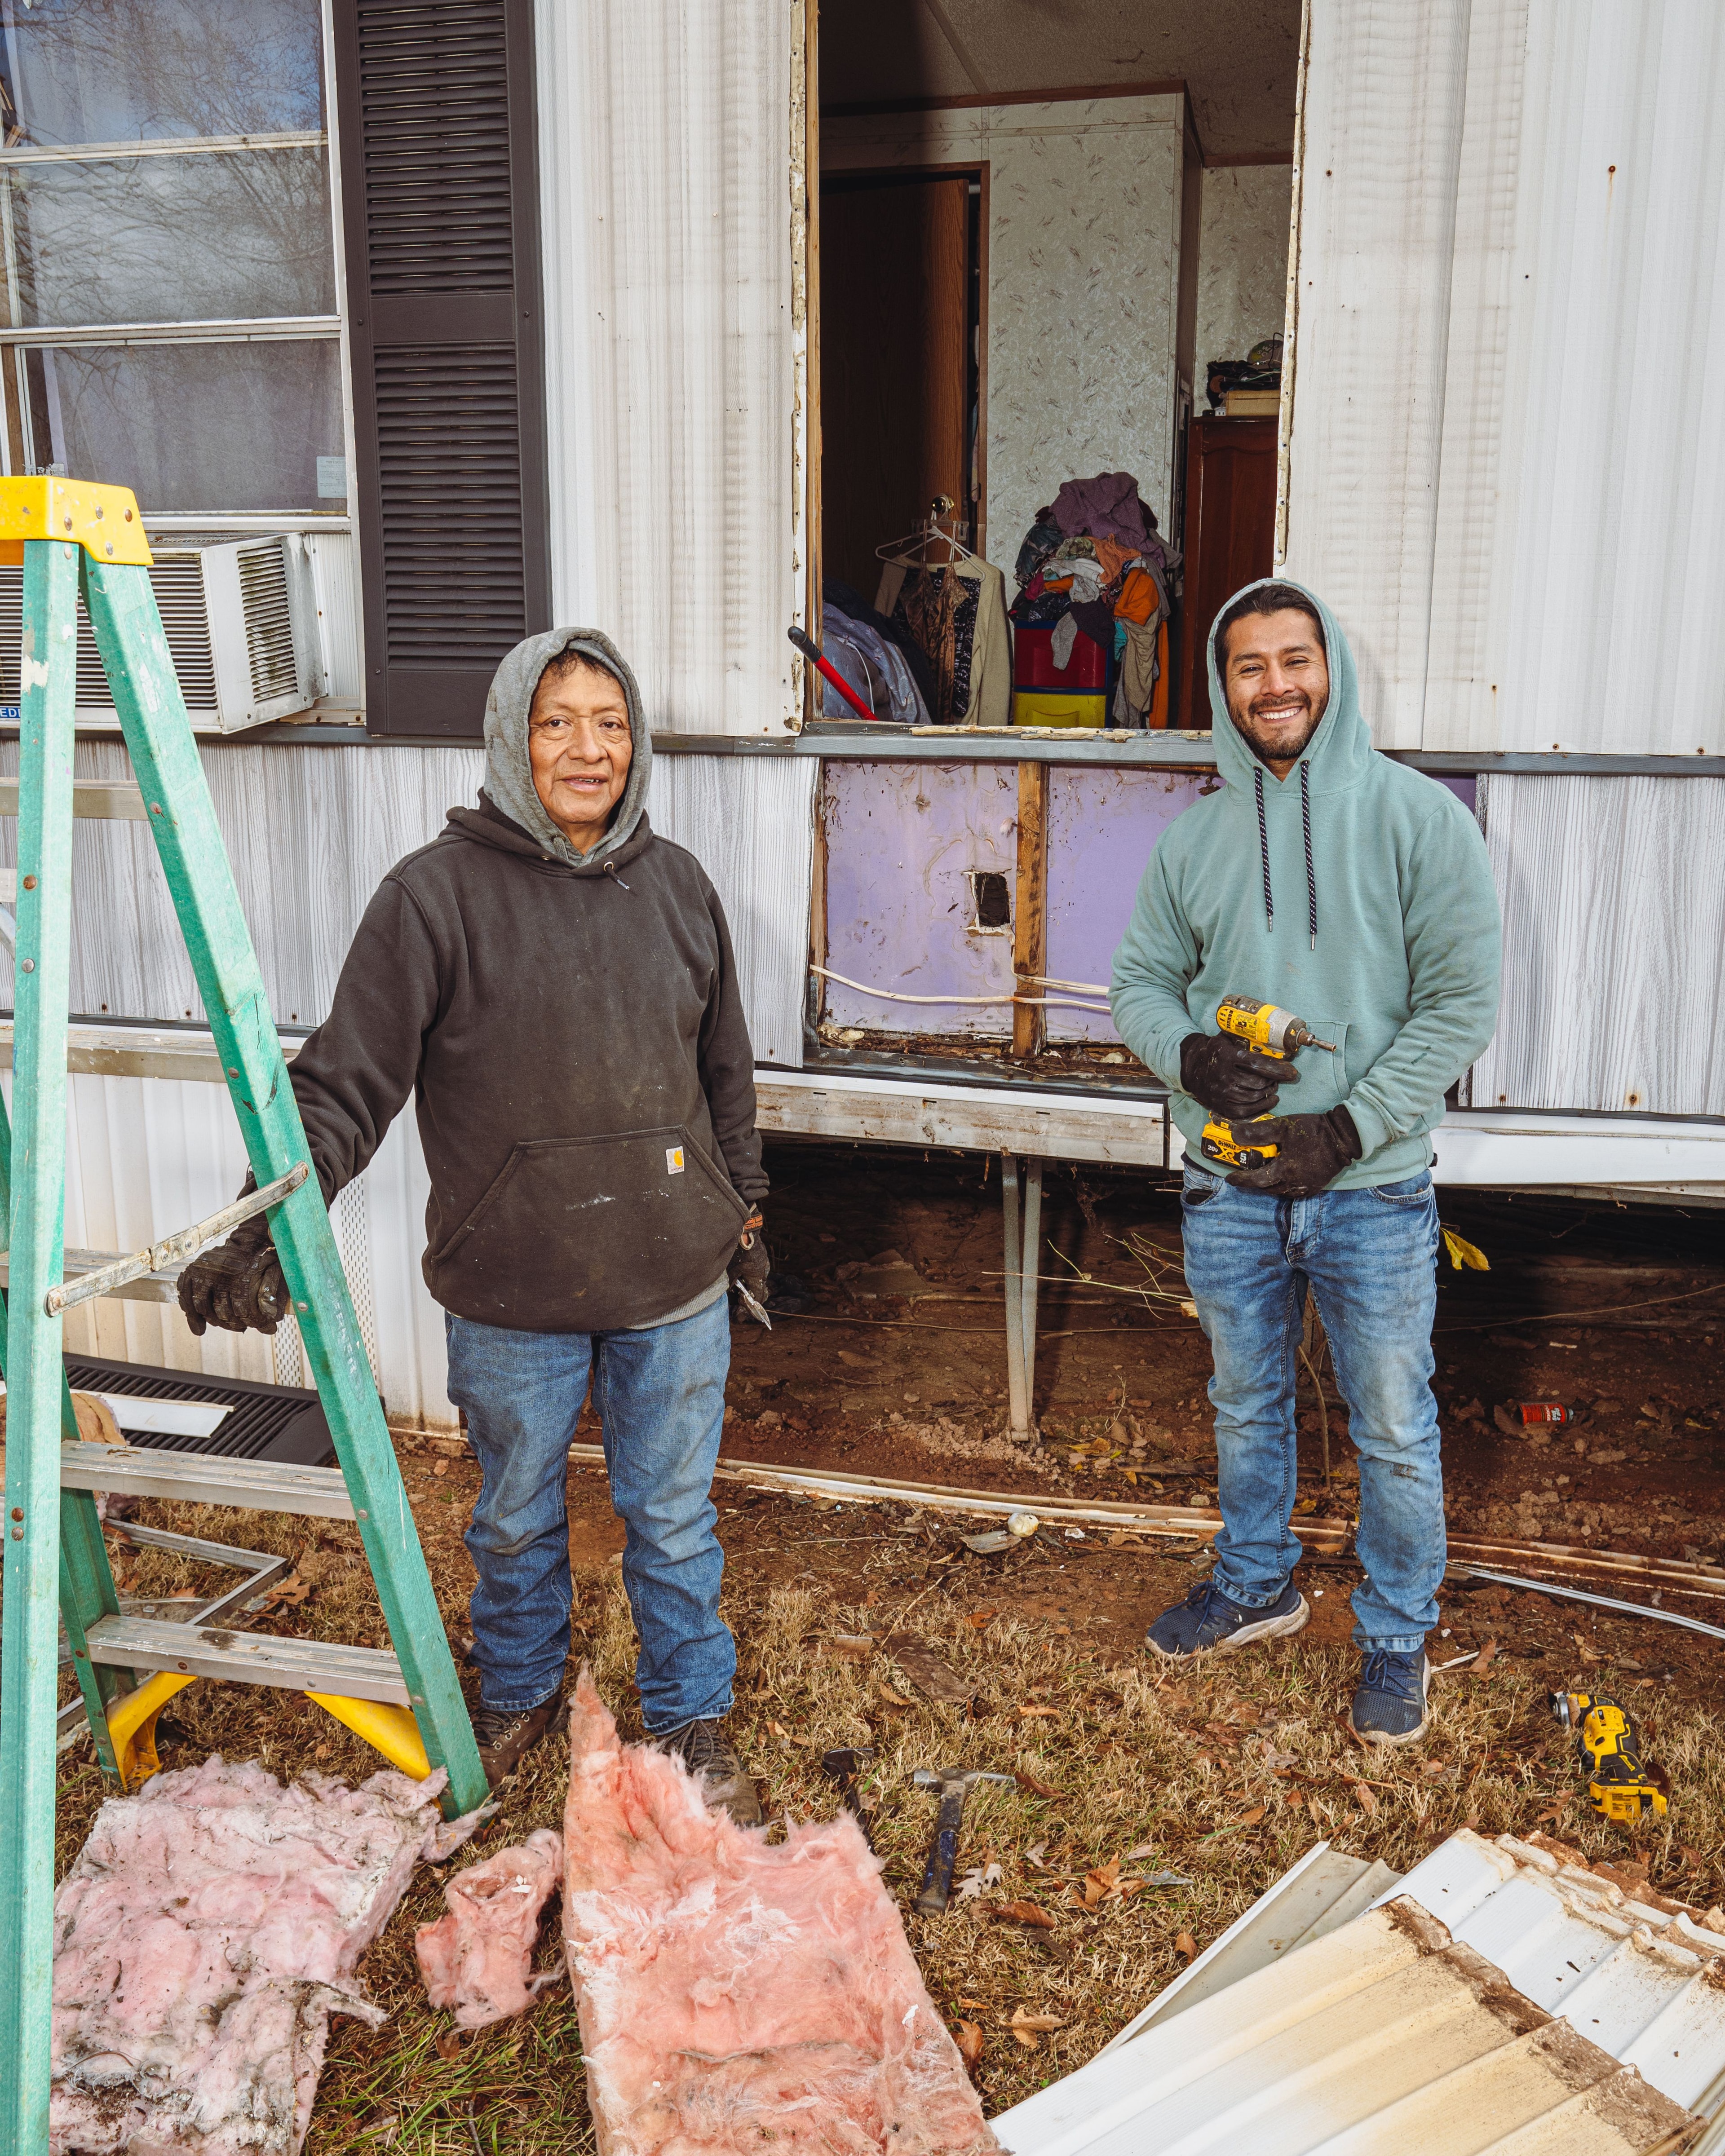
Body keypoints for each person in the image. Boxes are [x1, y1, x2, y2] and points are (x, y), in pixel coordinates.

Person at [177, 629, 769, 1813]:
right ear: (511, 739)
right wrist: (264, 1222)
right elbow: (343, 1084)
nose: (588, 747)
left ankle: (694, 1716)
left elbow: (725, 1071)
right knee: (510, 1519)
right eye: (558, 723)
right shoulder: (432, 899)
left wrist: (746, 1218)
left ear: (637, 741)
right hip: (512, 1288)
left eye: (611, 721)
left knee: (672, 1520)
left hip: (675, 1281)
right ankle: (518, 1685)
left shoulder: (681, 884)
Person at [1110, 579, 1501, 1745]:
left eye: (1295, 659)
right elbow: (1136, 983)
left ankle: (1393, 1635)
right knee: (1245, 1397)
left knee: (1390, 1415)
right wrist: (1187, 1054)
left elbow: (1459, 1005)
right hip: (1229, 1184)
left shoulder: (1419, 822)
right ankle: (1255, 1584)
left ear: (1333, 670)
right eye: (1249, 666)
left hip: (1371, 1188)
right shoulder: (1195, 837)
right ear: (1224, 689)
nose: (1275, 684)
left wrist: (1348, 1126)